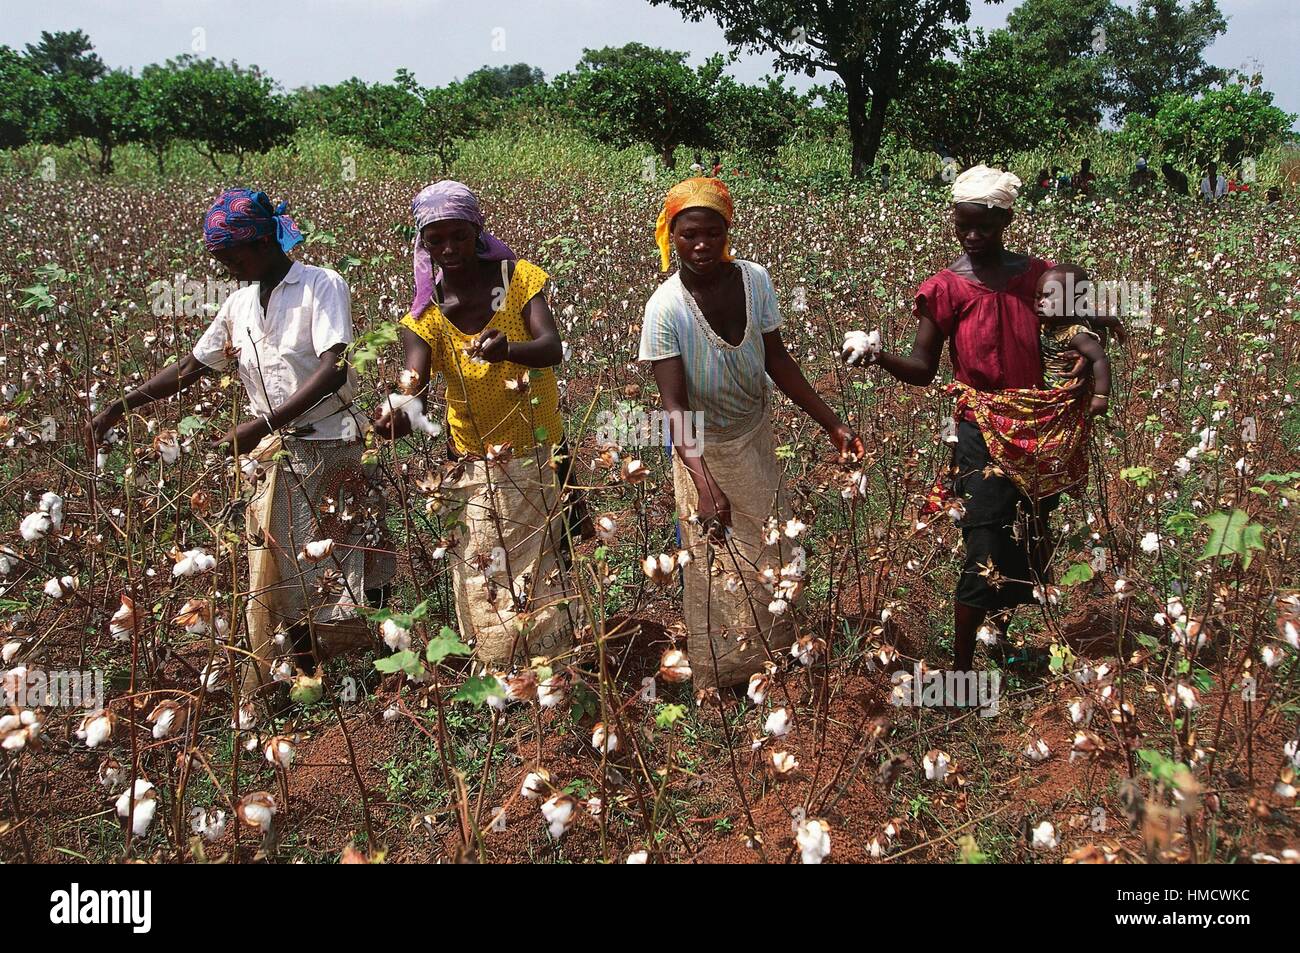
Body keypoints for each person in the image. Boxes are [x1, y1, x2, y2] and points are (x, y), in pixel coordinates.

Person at [88, 189, 393, 704]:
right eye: (219, 259)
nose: (226, 265)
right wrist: (120, 405)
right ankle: (310, 671)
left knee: (350, 556)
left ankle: (374, 668)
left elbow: (334, 366)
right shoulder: (238, 303)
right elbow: (191, 368)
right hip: (276, 454)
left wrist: (260, 425)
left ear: (264, 241)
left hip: (332, 444)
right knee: (286, 565)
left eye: (232, 254)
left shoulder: (321, 284)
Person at [840, 166, 1088, 676]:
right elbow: (923, 369)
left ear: (1007, 220)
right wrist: (878, 354)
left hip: (1038, 425)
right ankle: (960, 670)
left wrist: (1090, 338)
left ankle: (1002, 638)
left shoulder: (1037, 277)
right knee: (983, 540)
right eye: (963, 226)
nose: (973, 237)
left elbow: (1087, 294)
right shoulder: (946, 288)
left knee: (1032, 534)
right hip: (978, 428)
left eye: (984, 227)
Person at [639, 177, 863, 690]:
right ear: (670, 236)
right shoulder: (665, 308)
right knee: (714, 562)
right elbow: (674, 409)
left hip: (754, 436)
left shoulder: (755, 280)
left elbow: (777, 360)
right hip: (703, 450)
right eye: (689, 234)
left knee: (770, 549)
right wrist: (704, 484)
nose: (700, 245)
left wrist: (831, 421)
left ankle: (774, 655)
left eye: (712, 233)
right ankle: (725, 673)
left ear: (727, 232)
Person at [373, 180, 583, 665]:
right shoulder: (424, 316)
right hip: (473, 458)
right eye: (436, 239)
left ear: (478, 231)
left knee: (552, 554)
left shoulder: (518, 279)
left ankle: (554, 659)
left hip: (539, 445)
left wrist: (508, 348)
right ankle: (501, 663)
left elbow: (550, 347)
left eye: (459, 236)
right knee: (487, 567)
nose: (449, 249)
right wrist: (399, 412)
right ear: (422, 243)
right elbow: (415, 380)